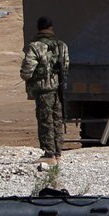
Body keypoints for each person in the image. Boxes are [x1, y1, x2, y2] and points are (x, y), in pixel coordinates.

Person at [20, 16, 70, 164]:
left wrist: (32, 78)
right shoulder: (62, 46)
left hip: (43, 90)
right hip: (58, 89)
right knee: (57, 120)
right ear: (51, 27)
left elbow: (26, 71)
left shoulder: (35, 47)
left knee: (45, 121)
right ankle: (58, 153)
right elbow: (66, 68)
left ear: (39, 28)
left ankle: (49, 154)